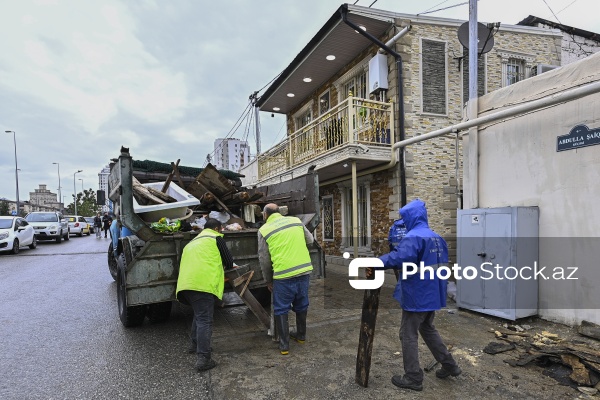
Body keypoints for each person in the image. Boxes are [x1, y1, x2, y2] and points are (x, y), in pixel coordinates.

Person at [378, 199, 461, 392]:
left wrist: (376, 262)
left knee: (407, 334)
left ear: (411, 217)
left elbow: (399, 258)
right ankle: (450, 366)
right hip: (433, 294)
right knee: (427, 328)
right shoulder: (436, 237)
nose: (404, 222)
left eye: (405, 218)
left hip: (418, 294)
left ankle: (413, 377)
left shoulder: (413, 237)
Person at [176, 218, 234, 372]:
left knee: (199, 314)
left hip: (185, 286)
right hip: (202, 285)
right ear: (217, 228)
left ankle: (194, 345)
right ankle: (203, 359)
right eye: (220, 230)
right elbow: (229, 262)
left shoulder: (192, 242)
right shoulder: (216, 238)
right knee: (205, 320)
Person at [258, 203, 314, 355]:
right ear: (280, 212)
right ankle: (301, 336)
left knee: (281, 308)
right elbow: (310, 240)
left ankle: (284, 346)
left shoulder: (263, 230)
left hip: (283, 275)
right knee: (302, 304)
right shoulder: (295, 221)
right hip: (303, 270)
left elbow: (264, 258)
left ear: (265, 215)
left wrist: (268, 280)